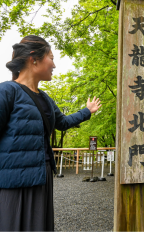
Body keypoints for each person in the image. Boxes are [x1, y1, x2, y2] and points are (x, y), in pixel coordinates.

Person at [0, 35, 102, 231]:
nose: (54, 65)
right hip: (13, 182)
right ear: (34, 58)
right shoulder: (7, 91)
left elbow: (62, 122)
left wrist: (86, 112)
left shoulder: (45, 99)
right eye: (52, 58)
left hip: (42, 174)